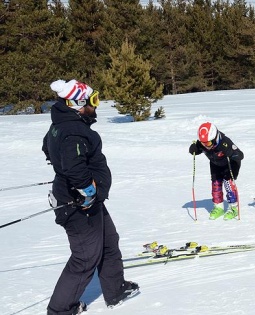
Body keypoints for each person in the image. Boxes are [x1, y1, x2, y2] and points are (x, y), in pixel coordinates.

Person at [43, 80, 138, 314]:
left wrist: (60, 163)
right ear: (78, 104)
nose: (96, 106)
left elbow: (47, 147)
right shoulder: (74, 130)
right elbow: (74, 168)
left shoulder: (63, 124)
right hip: (78, 204)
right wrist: (87, 191)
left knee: (108, 242)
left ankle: (115, 290)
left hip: (89, 202)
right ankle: (61, 310)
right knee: (85, 258)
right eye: (93, 101)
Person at [189, 122, 244, 220]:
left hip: (230, 164)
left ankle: (234, 208)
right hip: (215, 164)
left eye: (208, 143)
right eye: (203, 143)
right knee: (216, 185)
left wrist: (230, 152)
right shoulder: (204, 143)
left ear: (215, 138)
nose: (206, 146)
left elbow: (240, 155)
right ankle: (218, 207)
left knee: (228, 185)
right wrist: (193, 149)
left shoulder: (224, 142)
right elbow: (197, 149)